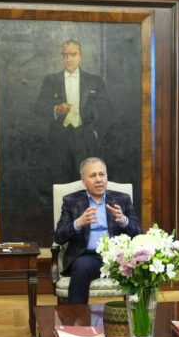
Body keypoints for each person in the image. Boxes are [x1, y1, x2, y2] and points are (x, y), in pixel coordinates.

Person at [54, 157, 141, 304]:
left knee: (141, 267)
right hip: (87, 257)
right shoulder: (71, 201)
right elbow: (58, 236)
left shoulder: (122, 199)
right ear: (83, 180)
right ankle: (77, 317)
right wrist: (78, 223)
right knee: (81, 268)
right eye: (93, 175)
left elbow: (139, 233)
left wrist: (124, 221)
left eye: (102, 174)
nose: (99, 179)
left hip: (118, 257)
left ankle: (137, 314)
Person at [36, 39, 112, 183]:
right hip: (59, 137)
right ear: (61, 58)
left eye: (73, 54)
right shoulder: (51, 80)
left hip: (85, 138)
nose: (69, 59)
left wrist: (95, 134)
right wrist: (55, 109)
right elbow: (39, 107)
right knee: (60, 180)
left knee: (85, 180)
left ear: (80, 56)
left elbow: (106, 111)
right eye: (65, 55)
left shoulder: (95, 81)